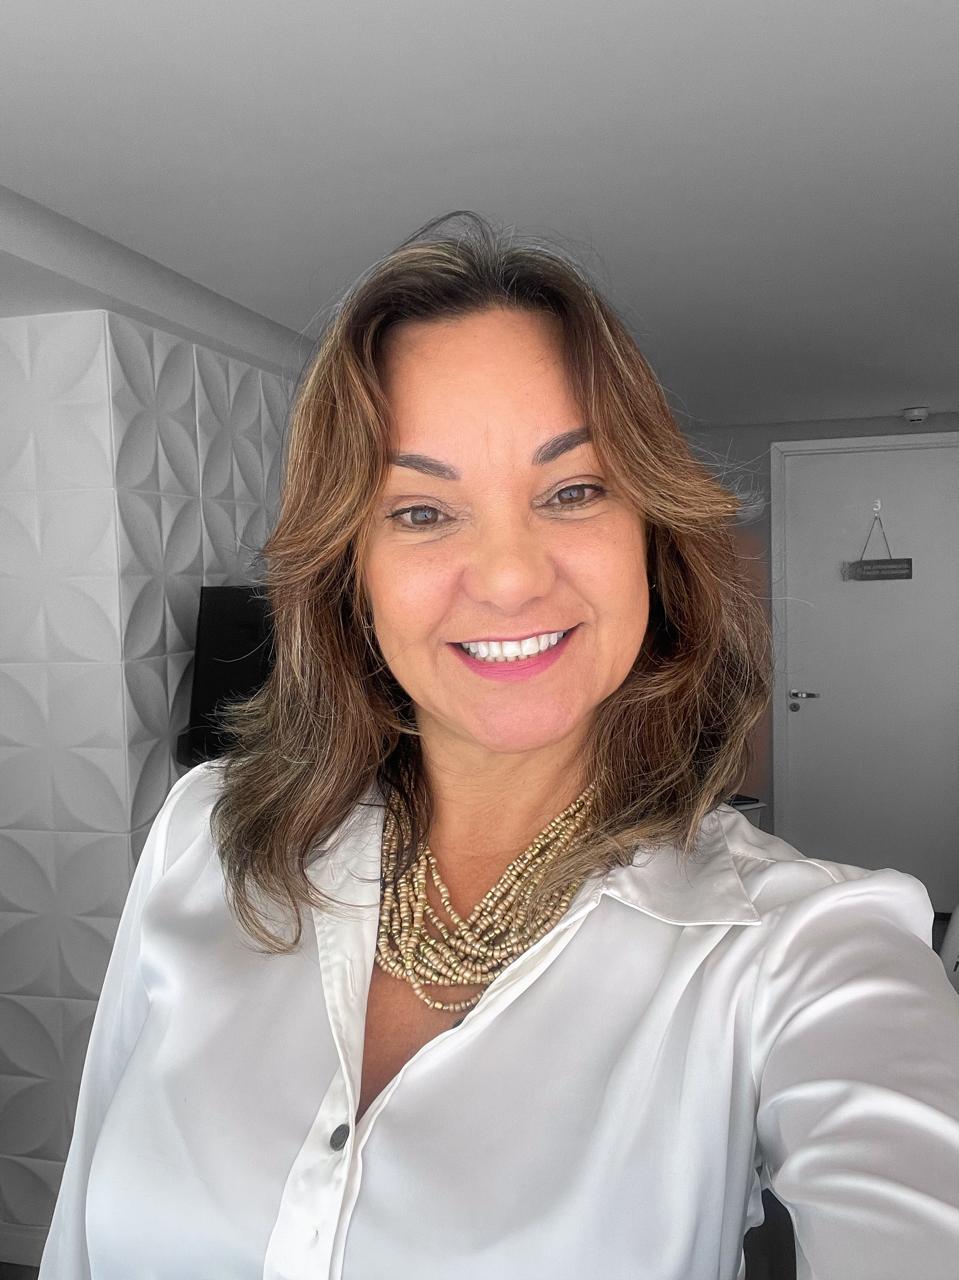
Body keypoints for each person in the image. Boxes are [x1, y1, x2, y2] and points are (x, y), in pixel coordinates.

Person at [39, 211, 959, 1280]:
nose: (511, 576)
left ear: (651, 539)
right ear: (350, 571)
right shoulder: (205, 833)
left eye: (573, 490)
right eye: (422, 512)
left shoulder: (794, 948)